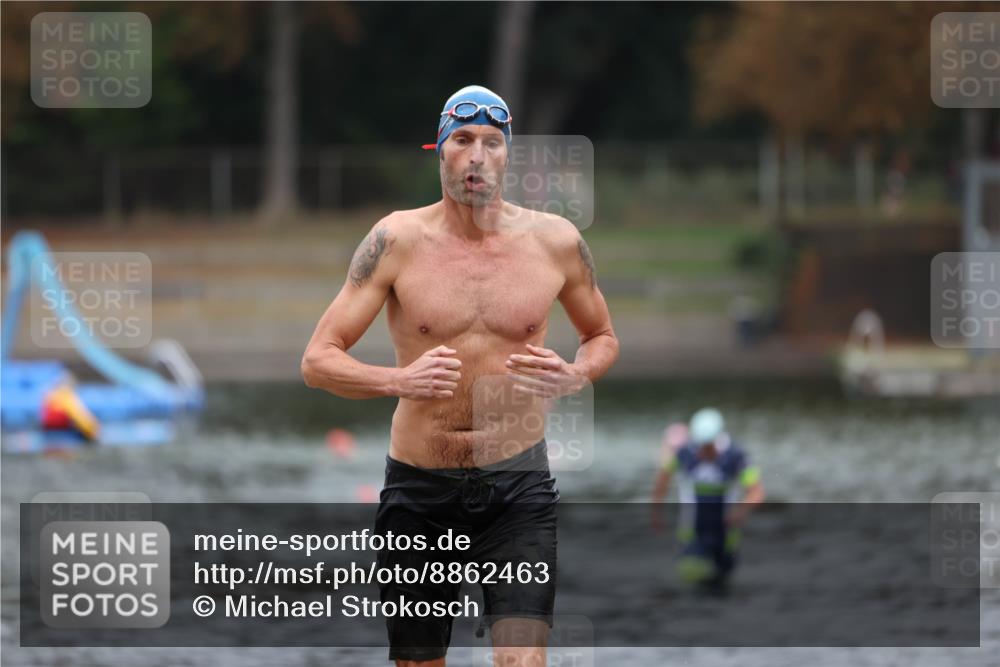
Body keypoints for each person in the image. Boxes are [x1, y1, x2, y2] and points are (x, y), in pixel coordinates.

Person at [301, 84, 619, 666]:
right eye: (463, 140)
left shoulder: (557, 242)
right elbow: (318, 361)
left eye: (492, 142)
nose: (477, 156)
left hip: (518, 487)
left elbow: (602, 336)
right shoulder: (395, 240)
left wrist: (575, 375)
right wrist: (399, 381)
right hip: (420, 491)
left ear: (508, 154)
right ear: (439, 150)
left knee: (522, 660)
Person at [651, 408, 765, 594]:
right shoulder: (685, 453)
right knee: (692, 582)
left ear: (717, 439)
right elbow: (662, 480)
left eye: (707, 446)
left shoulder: (736, 456)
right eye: (699, 445)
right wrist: (656, 512)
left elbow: (757, 492)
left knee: (722, 585)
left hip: (726, 532)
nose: (702, 452)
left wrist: (741, 511)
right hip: (692, 531)